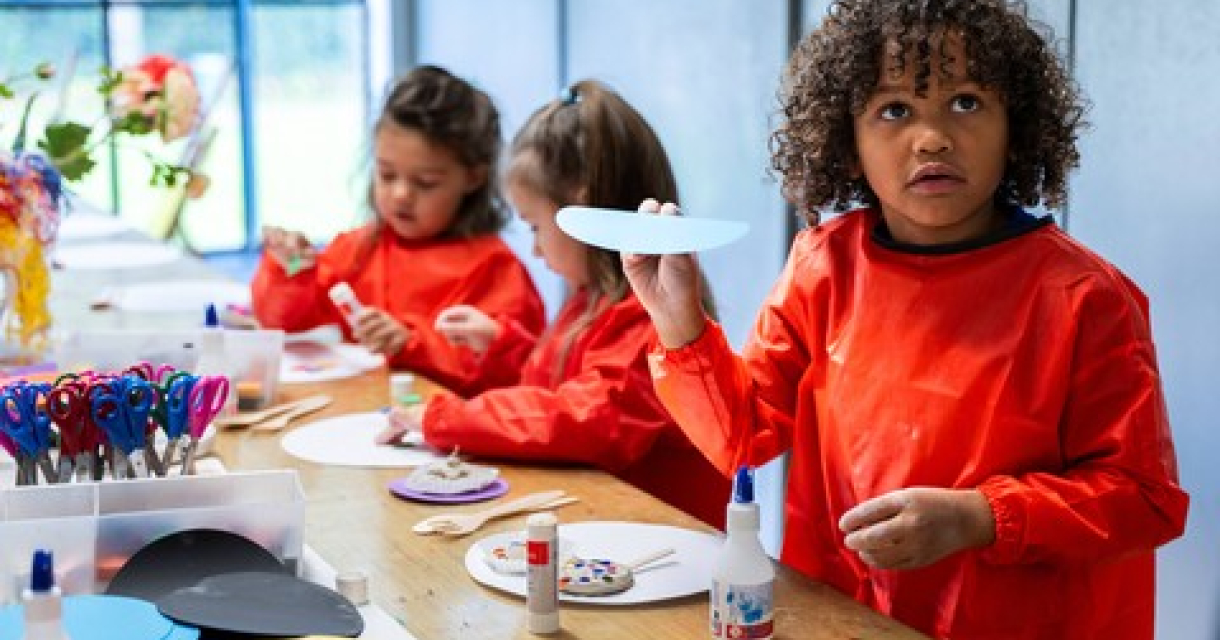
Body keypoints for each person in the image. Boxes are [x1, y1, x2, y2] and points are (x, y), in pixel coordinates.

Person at [624, 1, 1189, 637]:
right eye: (894, 110)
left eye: (966, 102)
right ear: (848, 142)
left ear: (1016, 127)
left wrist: (980, 518)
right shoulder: (824, 266)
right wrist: (678, 321)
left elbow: (1143, 499)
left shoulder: (1085, 296)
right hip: (848, 617)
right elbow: (744, 437)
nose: (932, 138)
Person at [386, 81, 731, 528]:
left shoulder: (650, 316)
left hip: (664, 544)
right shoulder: (589, 298)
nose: (534, 249)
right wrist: (504, 344)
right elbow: (559, 386)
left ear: (581, 209)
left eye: (535, 226)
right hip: (609, 529)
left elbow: (582, 420)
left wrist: (442, 418)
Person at [251, 66, 545, 396]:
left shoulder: (495, 269)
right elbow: (279, 321)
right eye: (387, 175)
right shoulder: (361, 248)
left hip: (443, 423)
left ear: (474, 177)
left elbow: (514, 375)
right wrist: (291, 269)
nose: (401, 194)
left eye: (425, 182)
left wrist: (412, 343)